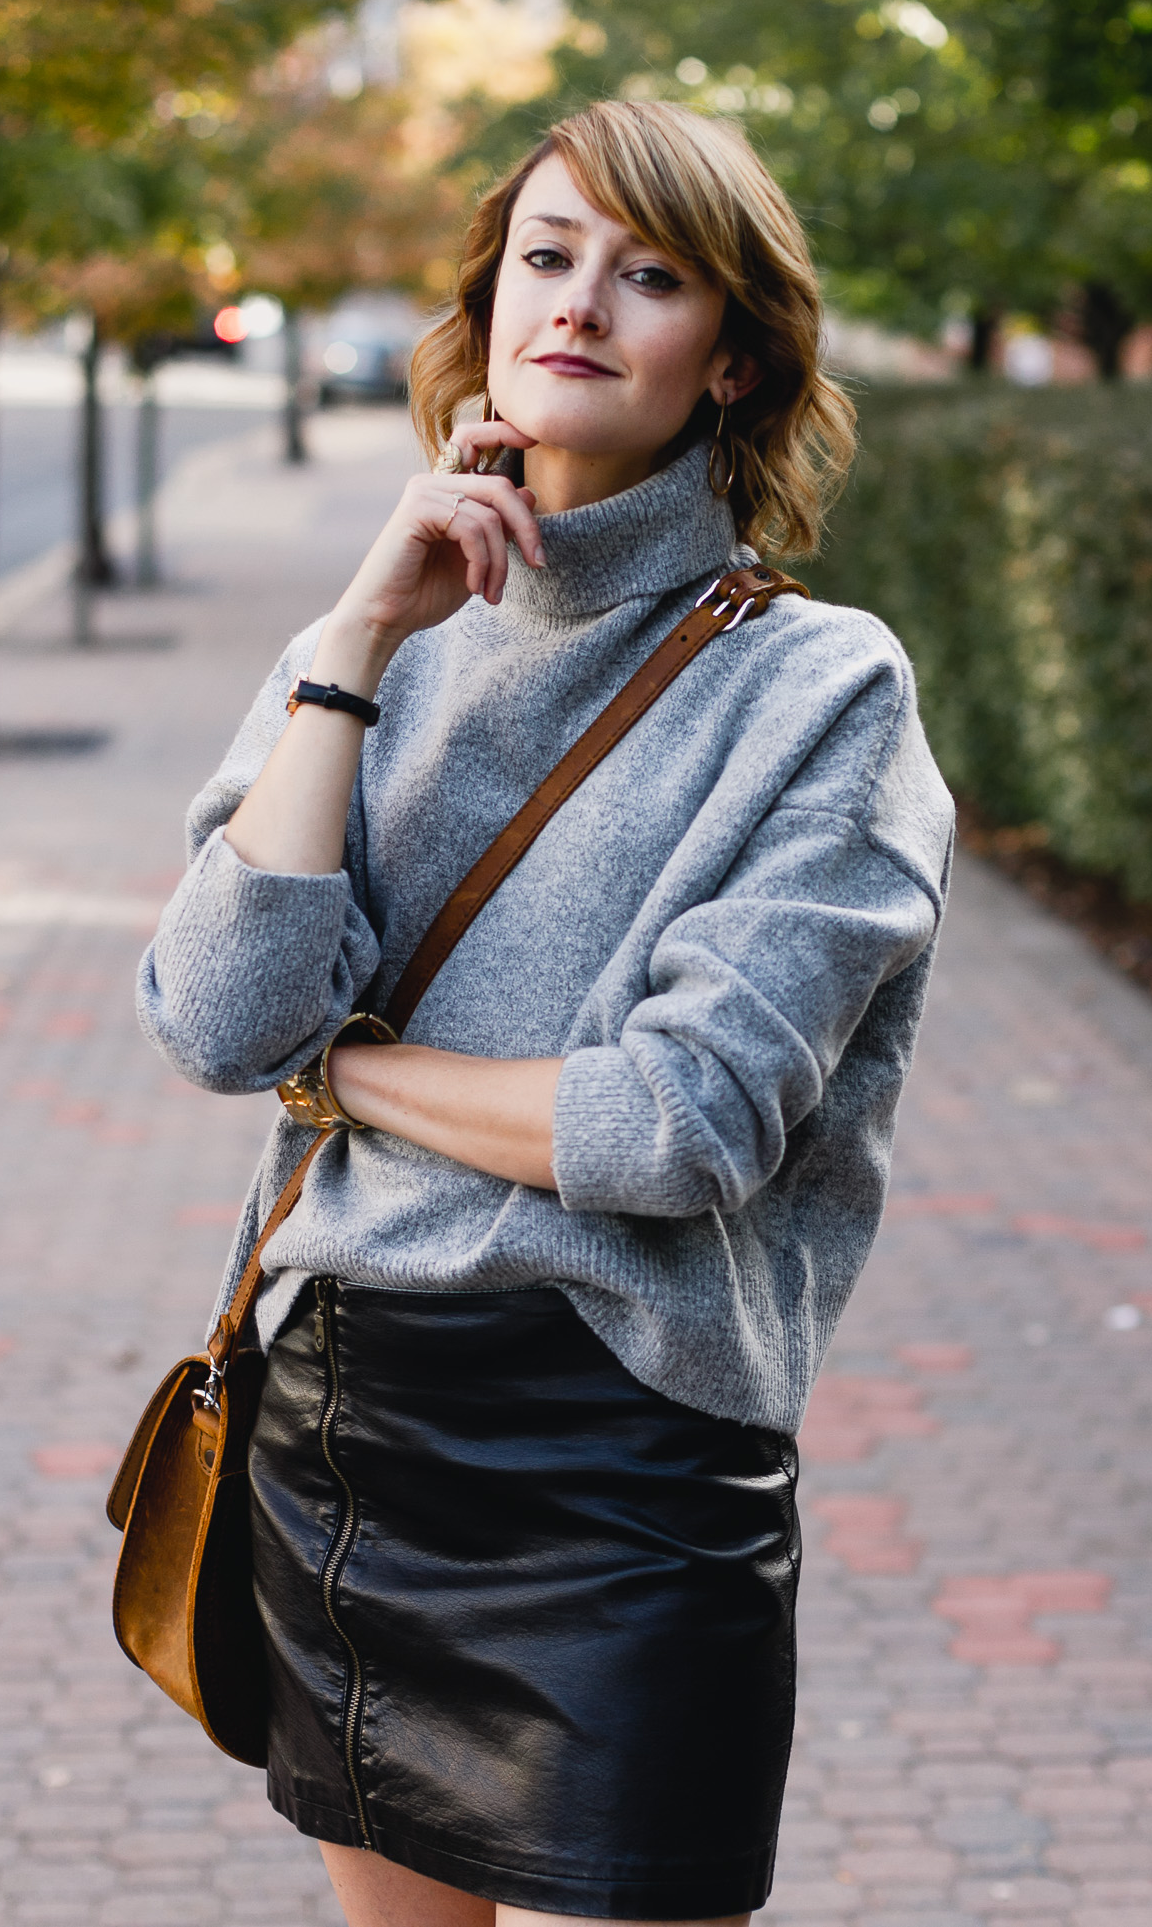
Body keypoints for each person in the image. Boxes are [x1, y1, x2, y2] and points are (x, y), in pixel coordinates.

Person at [138, 99, 954, 1927]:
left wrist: (340, 1068)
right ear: (490, 297)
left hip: (629, 1456)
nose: (579, 304)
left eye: (650, 275)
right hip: (346, 1419)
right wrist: (353, 646)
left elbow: (669, 1130)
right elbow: (210, 1015)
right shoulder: (363, 648)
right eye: (548, 255)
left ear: (731, 359)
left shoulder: (820, 689)